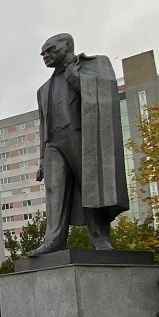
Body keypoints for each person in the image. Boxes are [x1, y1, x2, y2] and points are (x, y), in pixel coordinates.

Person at [29, 33, 129, 256]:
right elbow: (44, 125)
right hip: (54, 142)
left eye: (50, 50)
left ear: (67, 46)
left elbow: (105, 93)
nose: (45, 55)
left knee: (90, 187)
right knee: (54, 189)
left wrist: (76, 79)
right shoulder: (43, 89)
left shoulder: (94, 65)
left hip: (83, 137)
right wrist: (43, 158)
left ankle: (100, 238)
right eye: (43, 53)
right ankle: (53, 240)